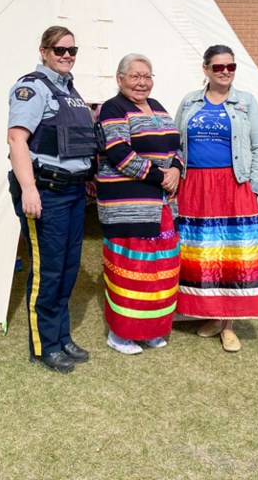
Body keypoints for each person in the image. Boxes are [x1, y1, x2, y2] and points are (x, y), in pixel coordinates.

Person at [7, 26, 95, 374]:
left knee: (68, 269)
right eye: (60, 50)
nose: (67, 55)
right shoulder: (32, 88)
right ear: (44, 51)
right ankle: (45, 346)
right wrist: (29, 189)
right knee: (48, 271)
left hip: (73, 192)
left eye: (72, 50)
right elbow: (17, 139)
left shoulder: (69, 90)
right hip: (47, 193)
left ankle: (62, 336)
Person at [175, 45, 258, 352]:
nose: (225, 72)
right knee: (201, 252)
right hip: (195, 185)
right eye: (218, 67)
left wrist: (252, 187)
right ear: (205, 70)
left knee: (233, 253)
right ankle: (212, 315)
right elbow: (176, 145)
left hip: (233, 184)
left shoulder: (246, 102)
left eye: (230, 66)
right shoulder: (190, 101)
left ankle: (229, 323)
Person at [96, 54, 183, 355]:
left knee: (161, 269)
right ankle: (121, 334)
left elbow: (177, 144)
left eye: (147, 76)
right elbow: (119, 152)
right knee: (131, 269)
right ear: (119, 79)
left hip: (161, 204)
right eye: (134, 76)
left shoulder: (158, 106)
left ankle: (151, 330)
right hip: (128, 204)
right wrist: (161, 175)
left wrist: (176, 170)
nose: (142, 82)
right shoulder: (113, 108)